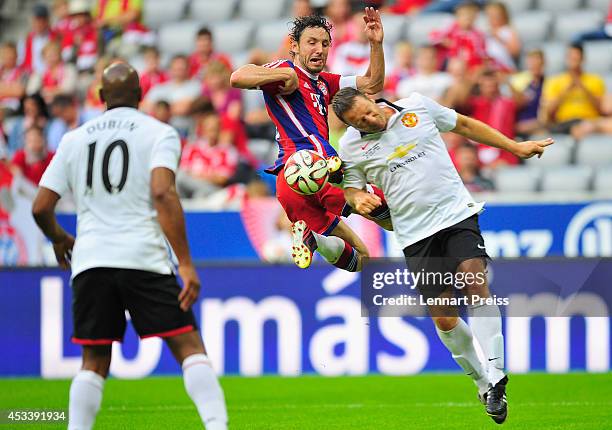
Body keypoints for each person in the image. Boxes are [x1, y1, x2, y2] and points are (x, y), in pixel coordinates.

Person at [331, 86, 554, 424]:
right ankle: (481, 381)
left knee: (474, 280)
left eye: (368, 111)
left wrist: (513, 146)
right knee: (445, 318)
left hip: (455, 214)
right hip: (414, 234)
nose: (369, 120)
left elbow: (463, 125)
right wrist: (358, 199)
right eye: (359, 121)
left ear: (372, 100)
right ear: (351, 125)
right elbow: (351, 187)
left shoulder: (416, 107)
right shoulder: (351, 145)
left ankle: (496, 374)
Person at [31, 62, 228, 430]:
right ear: (141, 95)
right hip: (144, 258)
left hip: (91, 261)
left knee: (93, 362)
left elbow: (41, 206)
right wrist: (185, 262)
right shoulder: (159, 132)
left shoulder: (74, 138)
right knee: (188, 348)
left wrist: (60, 239)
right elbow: (161, 191)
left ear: (101, 97)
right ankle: (218, 426)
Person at [230, 9, 391, 272]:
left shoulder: (325, 83)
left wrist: (375, 43)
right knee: (390, 220)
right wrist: (282, 76)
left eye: (325, 44)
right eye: (312, 43)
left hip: (292, 183)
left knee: (360, 259)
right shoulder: (286, 68)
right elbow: (238, 76)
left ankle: (314, 240)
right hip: (319, 167)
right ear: (294, 46)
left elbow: (372, 83)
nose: (319, 49)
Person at [541, 44, 606, 134]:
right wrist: (566, 90)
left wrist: (583, 87)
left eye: (576, 58)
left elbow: (601, 109)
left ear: (583, 59)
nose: (573, 61)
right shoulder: (554, 81)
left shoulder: (595, 80)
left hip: (589, 121)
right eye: (571, 58)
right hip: (564, 122)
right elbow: (548, 112)